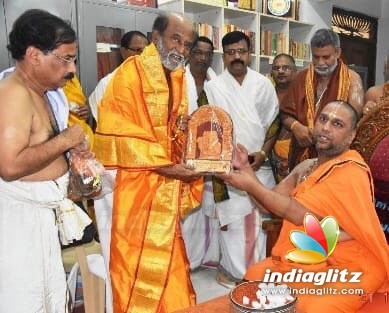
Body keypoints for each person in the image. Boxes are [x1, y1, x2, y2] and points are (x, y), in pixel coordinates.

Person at [220, 100, 389, 313]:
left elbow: (304, 218)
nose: (326, 127)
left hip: (353, 262)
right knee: (253, 277)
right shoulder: (306, 167)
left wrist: (250, 183)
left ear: (351, 136)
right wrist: (246, 169)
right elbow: (269, 205)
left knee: (318, 307)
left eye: (337, 124)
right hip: (309, 259)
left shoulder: (352, 172)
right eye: (323, 119)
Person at [93, 13, 203, 313]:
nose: (181, 50)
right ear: (156, 37)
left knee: (171, 266)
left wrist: (202, 147)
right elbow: (121, 136)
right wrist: (169, 166)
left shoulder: (181, 77)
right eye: (175, 39)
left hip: (163, 189)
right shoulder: (129, 74)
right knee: (134, 267)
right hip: (131, 190)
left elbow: (177, 131)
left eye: (187, 45)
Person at [0, 9, 88, 313]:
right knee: (23, 301)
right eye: (64, 59)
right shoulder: (13, 95)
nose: (72, 69)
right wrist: (65, 141)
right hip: (17, 226)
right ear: (34, 55)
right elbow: (9, 166)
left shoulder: (45, 93)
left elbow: (43, 148)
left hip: (39, 221)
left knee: (47, 300)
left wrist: (72, 157)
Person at [203, 31, 279, 286]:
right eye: (231, 53)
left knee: (258, 223)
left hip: (259, 165)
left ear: (249, 53)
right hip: (227, 168)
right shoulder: (213, 88)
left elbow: (274, 124)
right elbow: (208, 129)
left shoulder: (263, 84)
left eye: (241, 52)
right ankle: (236, 273)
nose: (237, 57)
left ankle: (256, 274)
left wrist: (263, 153)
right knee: (234, 223)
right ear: (223, 56)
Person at [281, 29, 364, 170]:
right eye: (315, 57)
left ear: (337, 53)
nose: (320, 63)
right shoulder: (301, 78)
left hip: (333, 158)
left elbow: (353, 123)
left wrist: (324, 134)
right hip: (301, 155)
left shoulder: (352, 80)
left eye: (326, 57)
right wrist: (296, 127)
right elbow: (284, 113)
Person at [181, 36, 220, 270]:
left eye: (207, 54)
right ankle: (185, 260)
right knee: (188, 208)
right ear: (190, 53)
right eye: (197, 52)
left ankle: (205, 257)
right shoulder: (176, 79)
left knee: (209, 206)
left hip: (211, 152)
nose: (202, 58)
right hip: (182, 153)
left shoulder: (216, 83)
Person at [89, 30, 149, 121]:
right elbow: (99, 123)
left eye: (146, 51)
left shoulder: (154, 83)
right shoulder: (107, 83)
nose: (142, 56)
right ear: (123, 52)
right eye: (137, 50)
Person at [271, 53, 297, 182]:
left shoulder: (303, 96)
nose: (280, 71)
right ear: (271, 73)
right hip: (268, 159)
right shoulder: (266, 95)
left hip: (296, 155)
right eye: (276, 68)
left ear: (294, 71)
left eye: (286, 68)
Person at [63, 75, 94, 147]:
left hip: (84, 136)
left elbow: (80, 103)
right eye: (67, 63)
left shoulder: (73, 80)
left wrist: (86, 112)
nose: (72, 68)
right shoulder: (50, 86)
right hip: (66, 140)